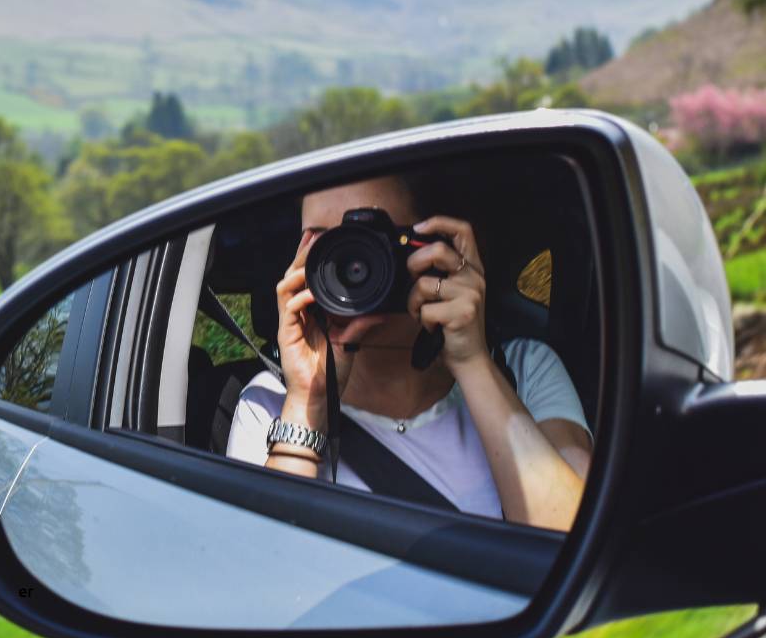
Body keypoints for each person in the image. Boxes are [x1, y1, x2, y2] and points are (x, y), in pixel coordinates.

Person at [225, 174, 592, 531]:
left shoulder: (524, 370)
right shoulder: (271, 401)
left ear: (435, 248)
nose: (347, 264)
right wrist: (310, 400)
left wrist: (473, 362)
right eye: (322, 243)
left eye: (367, 240)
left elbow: (575, 538)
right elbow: (263, 565)